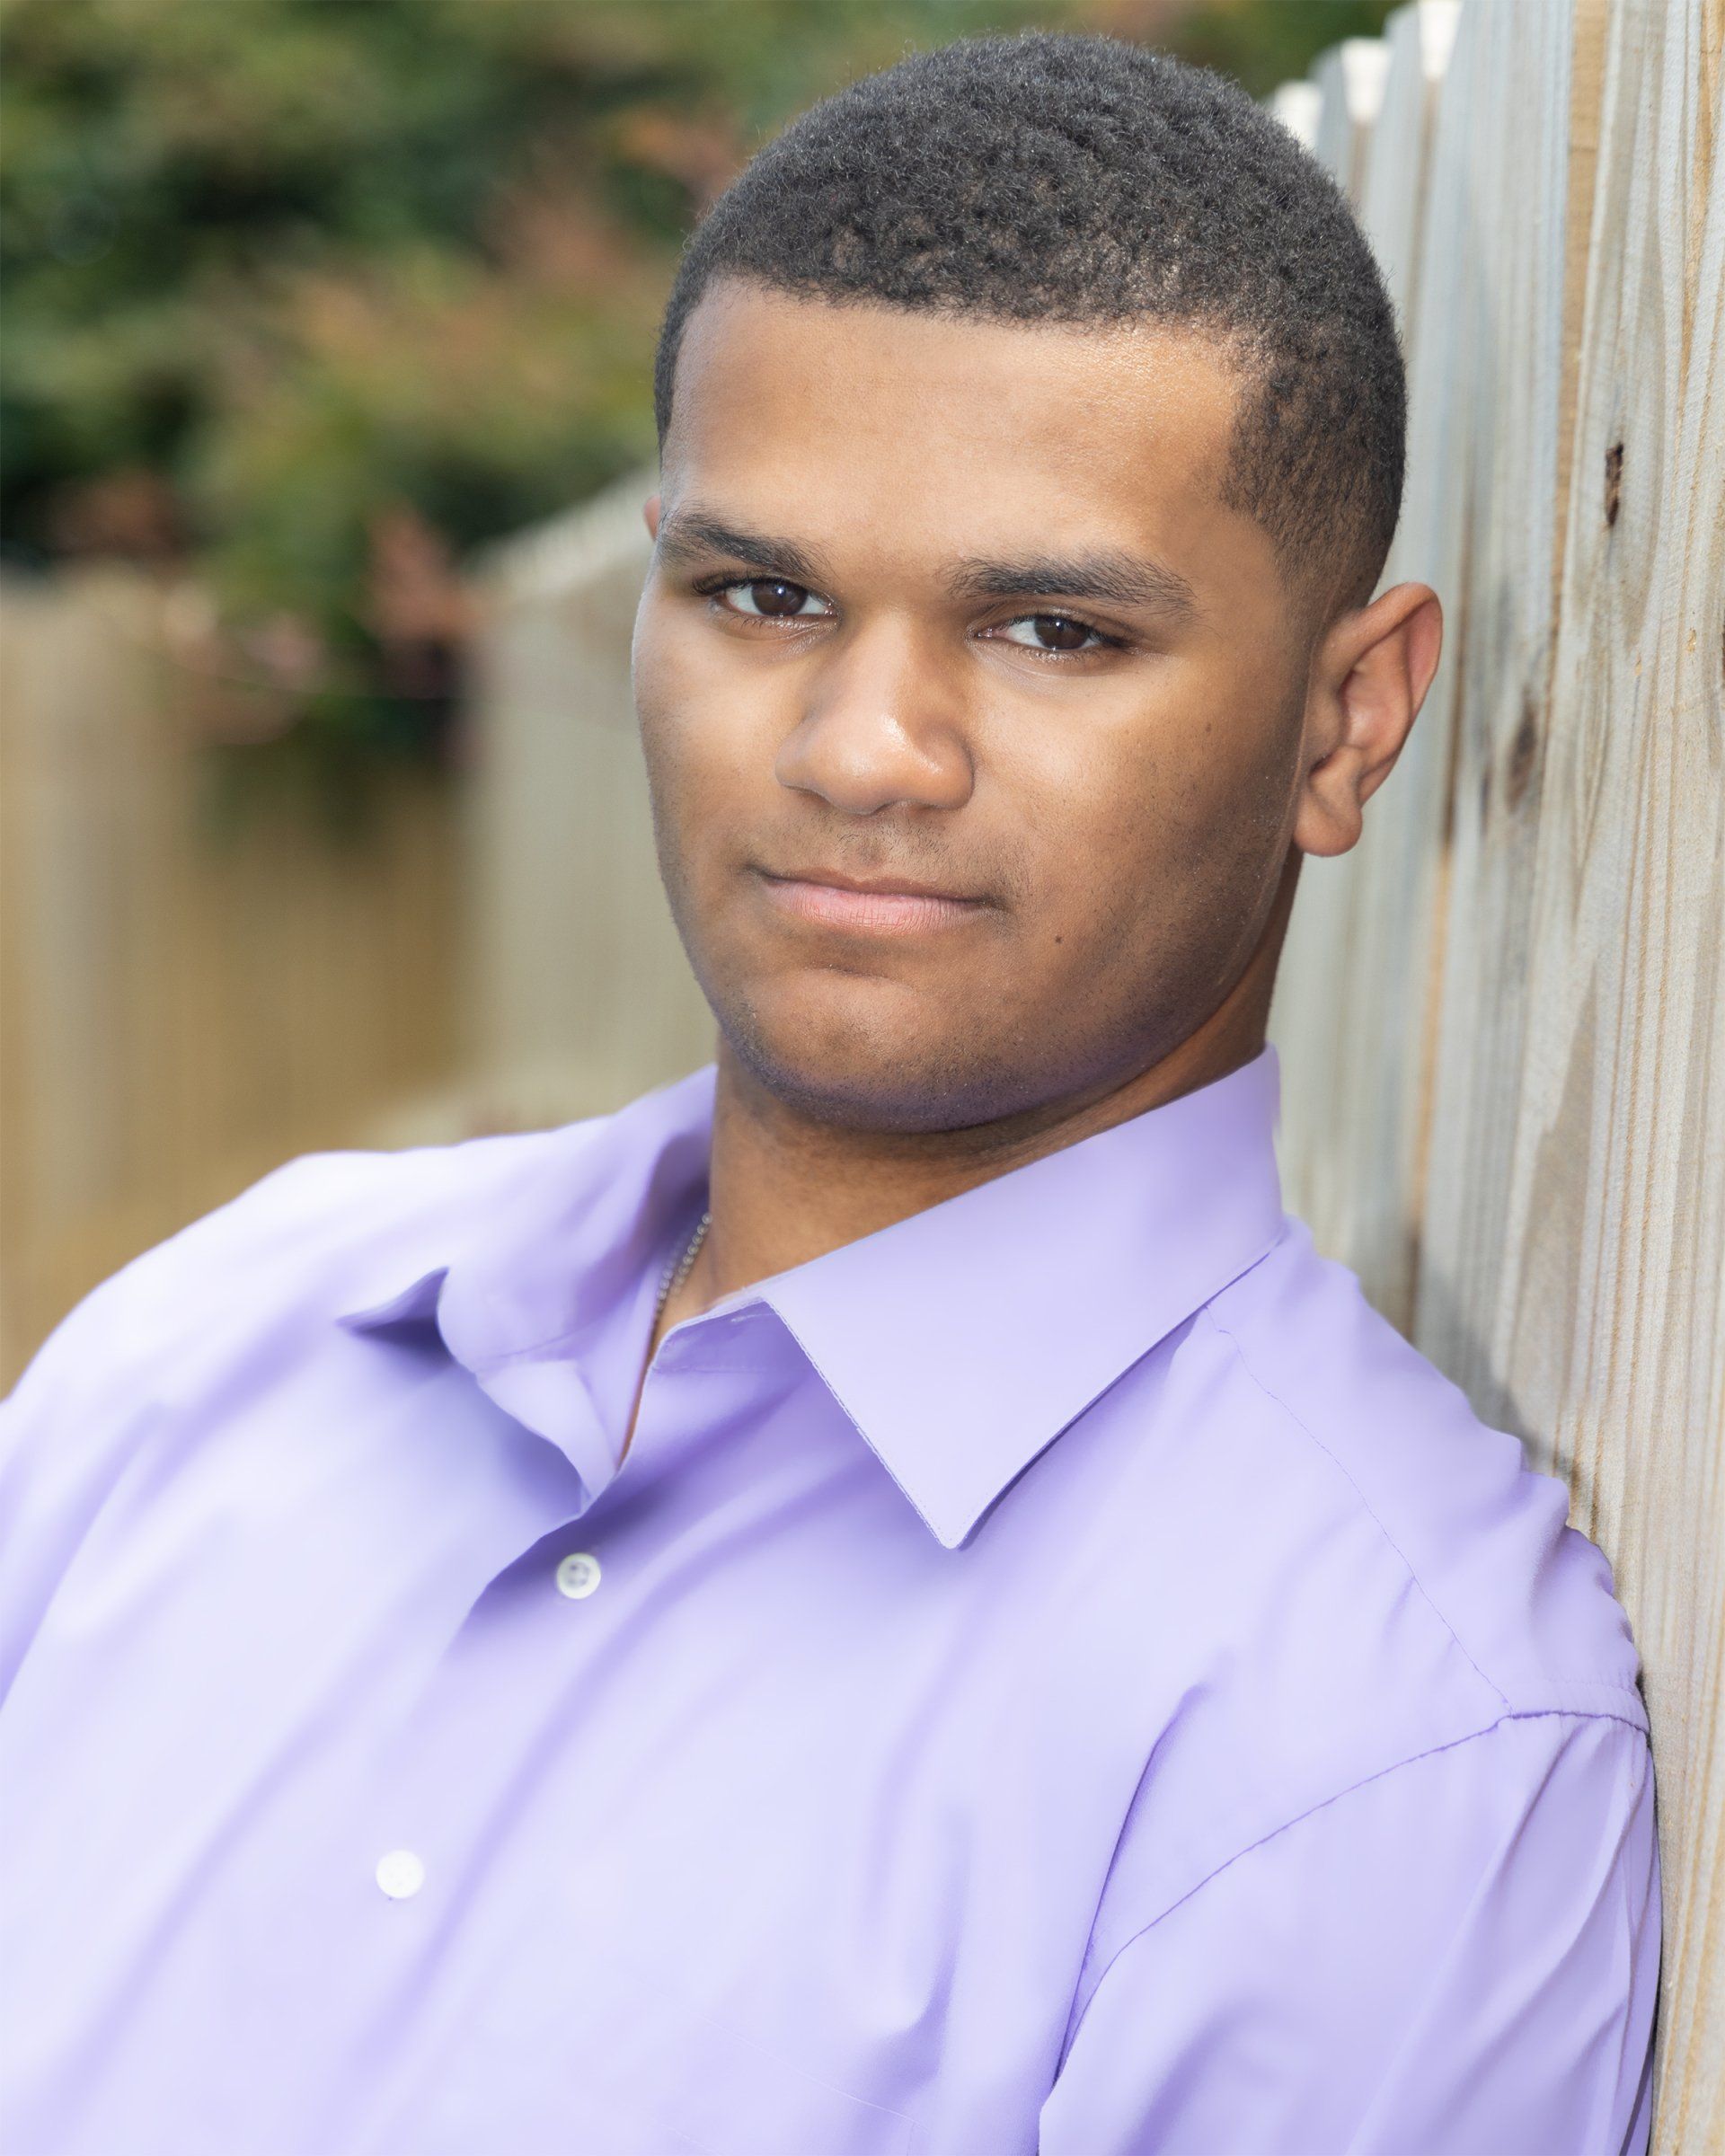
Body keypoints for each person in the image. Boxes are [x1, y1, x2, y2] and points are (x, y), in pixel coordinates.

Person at [0, 32, 1659, 2156]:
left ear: (1348, 722)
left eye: (1053, 630)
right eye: (762, 596)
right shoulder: (218, 1344)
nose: (866, 751)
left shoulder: (1385, 1736)